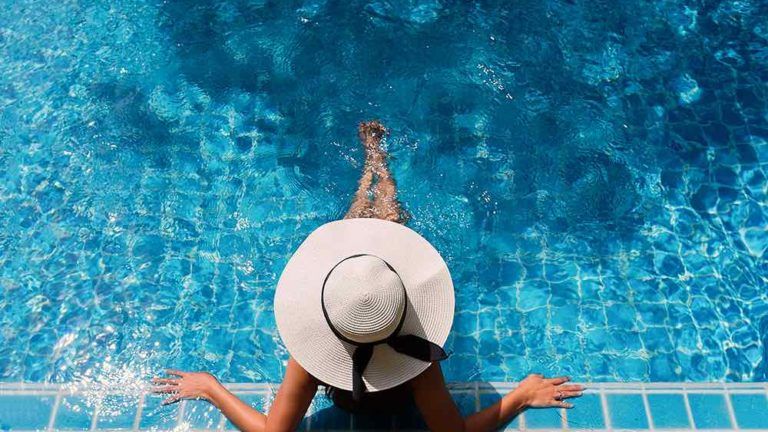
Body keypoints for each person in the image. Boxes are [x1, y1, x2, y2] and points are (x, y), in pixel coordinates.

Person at [152, 121, 584, 431]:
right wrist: (519, 398)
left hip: (354, 347)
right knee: (383, 240)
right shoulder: (417, 356)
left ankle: (371, 168)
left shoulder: (310, 356)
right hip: (393, 335)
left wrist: (211, 387)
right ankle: (380, 166)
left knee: (357, 253)